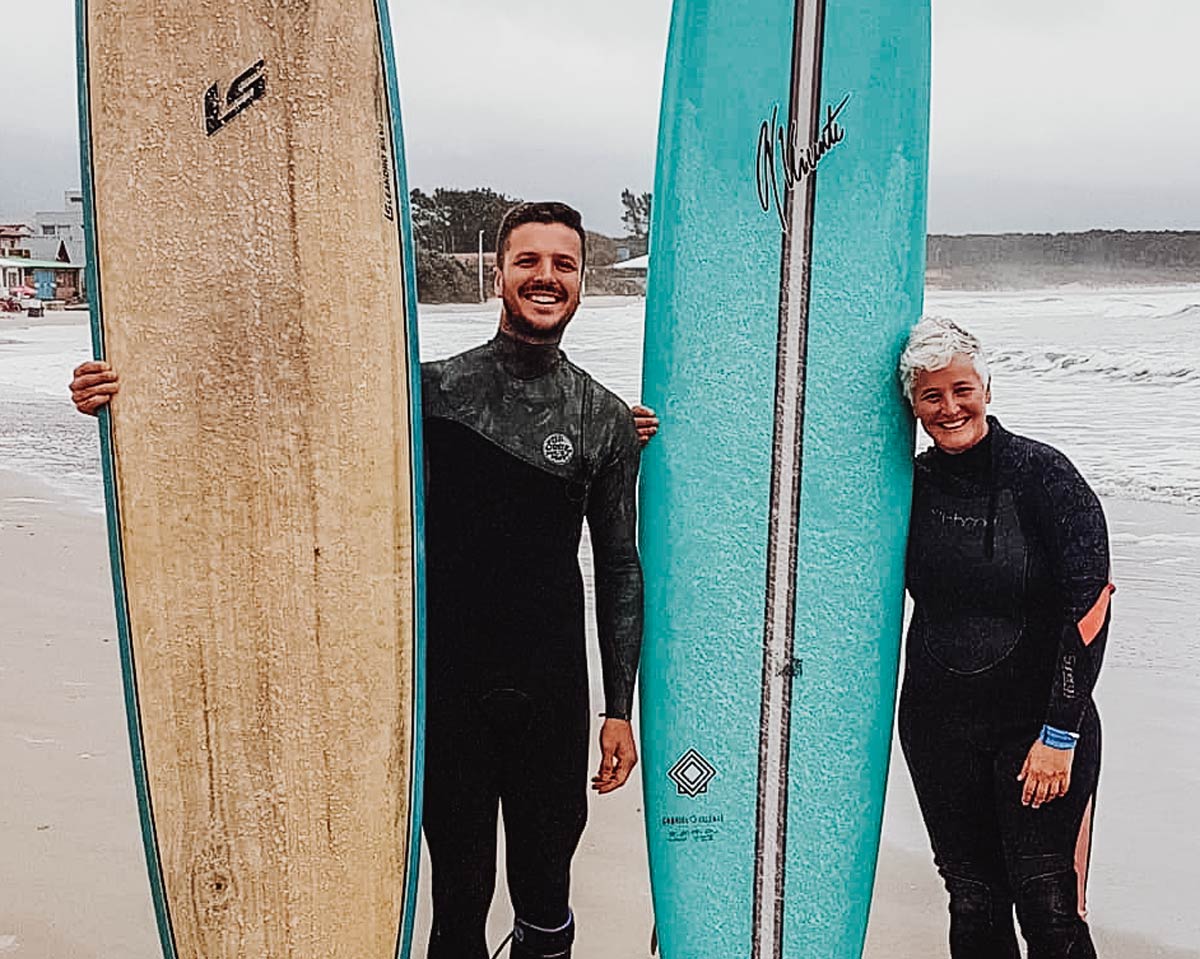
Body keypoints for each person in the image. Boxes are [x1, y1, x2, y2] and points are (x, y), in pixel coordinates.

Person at [70, 201, 656, 959]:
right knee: (457, 904)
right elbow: (286, 418)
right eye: (528, 261)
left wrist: (619, 708)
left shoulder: (606, 419)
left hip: (551, 694)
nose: (545, 277)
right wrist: (126, 396)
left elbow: (619, 563)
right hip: (447, 694)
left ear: (582, 281)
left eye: (563, 264)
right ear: (500, 276)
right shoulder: (428, 394)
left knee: (547, 902)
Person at [897, 316, 1113, 959]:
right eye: (931, 396)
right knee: (973, 900)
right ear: (913, 405)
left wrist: (1059, 733)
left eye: (961, 389)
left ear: (987, 387)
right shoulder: (906, 486)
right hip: (938, 726)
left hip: (1039, 726)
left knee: (1048, 903)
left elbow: (1091, 602)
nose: (950, 407)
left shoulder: (1042, 474)